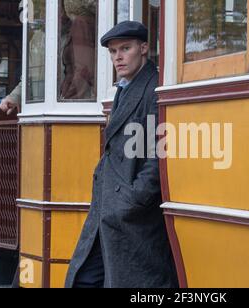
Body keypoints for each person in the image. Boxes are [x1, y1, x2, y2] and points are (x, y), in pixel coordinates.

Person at [65, 21, 178, 288]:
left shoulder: (152, 89)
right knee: (85, 280)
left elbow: (158, 155)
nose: (118, 57)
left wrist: (132, 200)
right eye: (113, 52)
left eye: (125, 49)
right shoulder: (125, 86)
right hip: (109, 208)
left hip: (130, 215)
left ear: (144, 48)